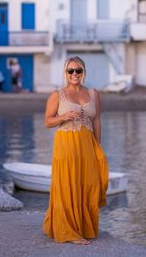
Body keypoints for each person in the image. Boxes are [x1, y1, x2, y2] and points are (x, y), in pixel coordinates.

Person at [43, 56, 108, 245]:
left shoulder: (94, 94)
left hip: (87, 144)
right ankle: (69, 232)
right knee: (67, 184)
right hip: (66, 144)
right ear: (65, 73)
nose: (74, 74)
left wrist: (98, 147)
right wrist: (64, 116)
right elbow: (48, 121)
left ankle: (84, 227)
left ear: (83, 72)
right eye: (70, 71)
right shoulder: (58, 95)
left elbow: (96, 120)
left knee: (88, 183)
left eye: (78, 70)